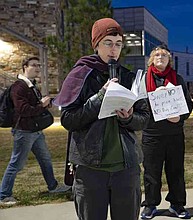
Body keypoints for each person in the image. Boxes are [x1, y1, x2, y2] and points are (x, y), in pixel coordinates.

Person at [53, 18, 150, 220]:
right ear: (96, 44)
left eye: (118, 44)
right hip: (90, 169)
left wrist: (129, 118)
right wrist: (98, 98)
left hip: (126, 167)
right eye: (108, 43)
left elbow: (144, 118)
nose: (114, 49)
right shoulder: (80, 75)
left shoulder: (129, 78)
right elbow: (69, 120)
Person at [0, 57, 70, 205]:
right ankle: (4, 195)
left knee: (45, 159)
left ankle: (53, 186)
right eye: (34, 65)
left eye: (39, 65)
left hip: (35, 130)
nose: (38, 68)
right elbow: (23, 110)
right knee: (16, 163)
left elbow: (32, 106)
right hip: (24, 131)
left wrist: (43, 104)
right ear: (25, 67)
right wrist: (42, 105)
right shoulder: (19, 87)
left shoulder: (30, 85)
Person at [140, 45, 193, 219]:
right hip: (151, 133)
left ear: (169, 59)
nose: (161, 56)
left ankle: (177, 204)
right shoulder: (143, 79)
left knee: (176, 171)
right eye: (157, 54)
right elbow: (137, 104)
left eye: (164, 54)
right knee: (151, 172)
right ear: (152, 58)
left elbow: (188, 104)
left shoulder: (177, 79)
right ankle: (150, 204)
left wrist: (179, 117)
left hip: (174, 134)